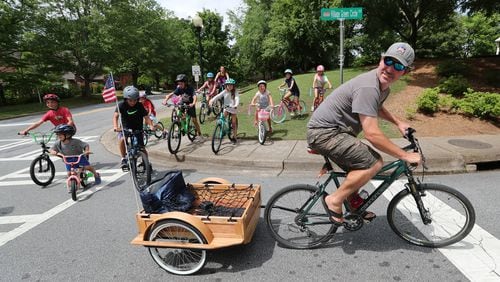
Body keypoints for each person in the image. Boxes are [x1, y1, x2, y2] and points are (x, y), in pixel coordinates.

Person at [306, 42, 422, 225]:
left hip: (336, 132)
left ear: (404, 72)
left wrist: (398, 123)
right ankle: (334, 200)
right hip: (325, 133)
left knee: (359, 165)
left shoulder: (381, 88)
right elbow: (372, 134)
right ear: (381, 60)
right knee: (373, 163)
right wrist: (404, 155)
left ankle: (352, 203)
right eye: (388, 61)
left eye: (398, 65)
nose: (390, 68)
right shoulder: (369, 87)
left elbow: (377, 107)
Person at [113, 85, 154, 169]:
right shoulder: (121, 105)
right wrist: (115, 127)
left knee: (141, 147)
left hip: (138, 127)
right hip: (125, 127)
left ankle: (145, 161)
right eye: (130, 100)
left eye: (135, 100)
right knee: (122, 139)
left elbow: (146, 117)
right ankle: (123, 158)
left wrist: (151, 125)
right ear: (125, 99)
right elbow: (115, 116)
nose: (133, 102)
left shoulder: (139, 105)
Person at [209, 78, 240, 143]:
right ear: (226, 86)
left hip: (233, 108)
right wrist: (212, 100)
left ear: (233, 86)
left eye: (231, 85)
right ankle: (222, 130)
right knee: (222, 119)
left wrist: (236, 105)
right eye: (228, 85)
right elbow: (218, 96)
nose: (229, 86)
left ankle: (234, 136)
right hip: (226, 108)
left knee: (234, 123)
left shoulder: (235, 92)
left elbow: (237, 98)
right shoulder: (225, 91)